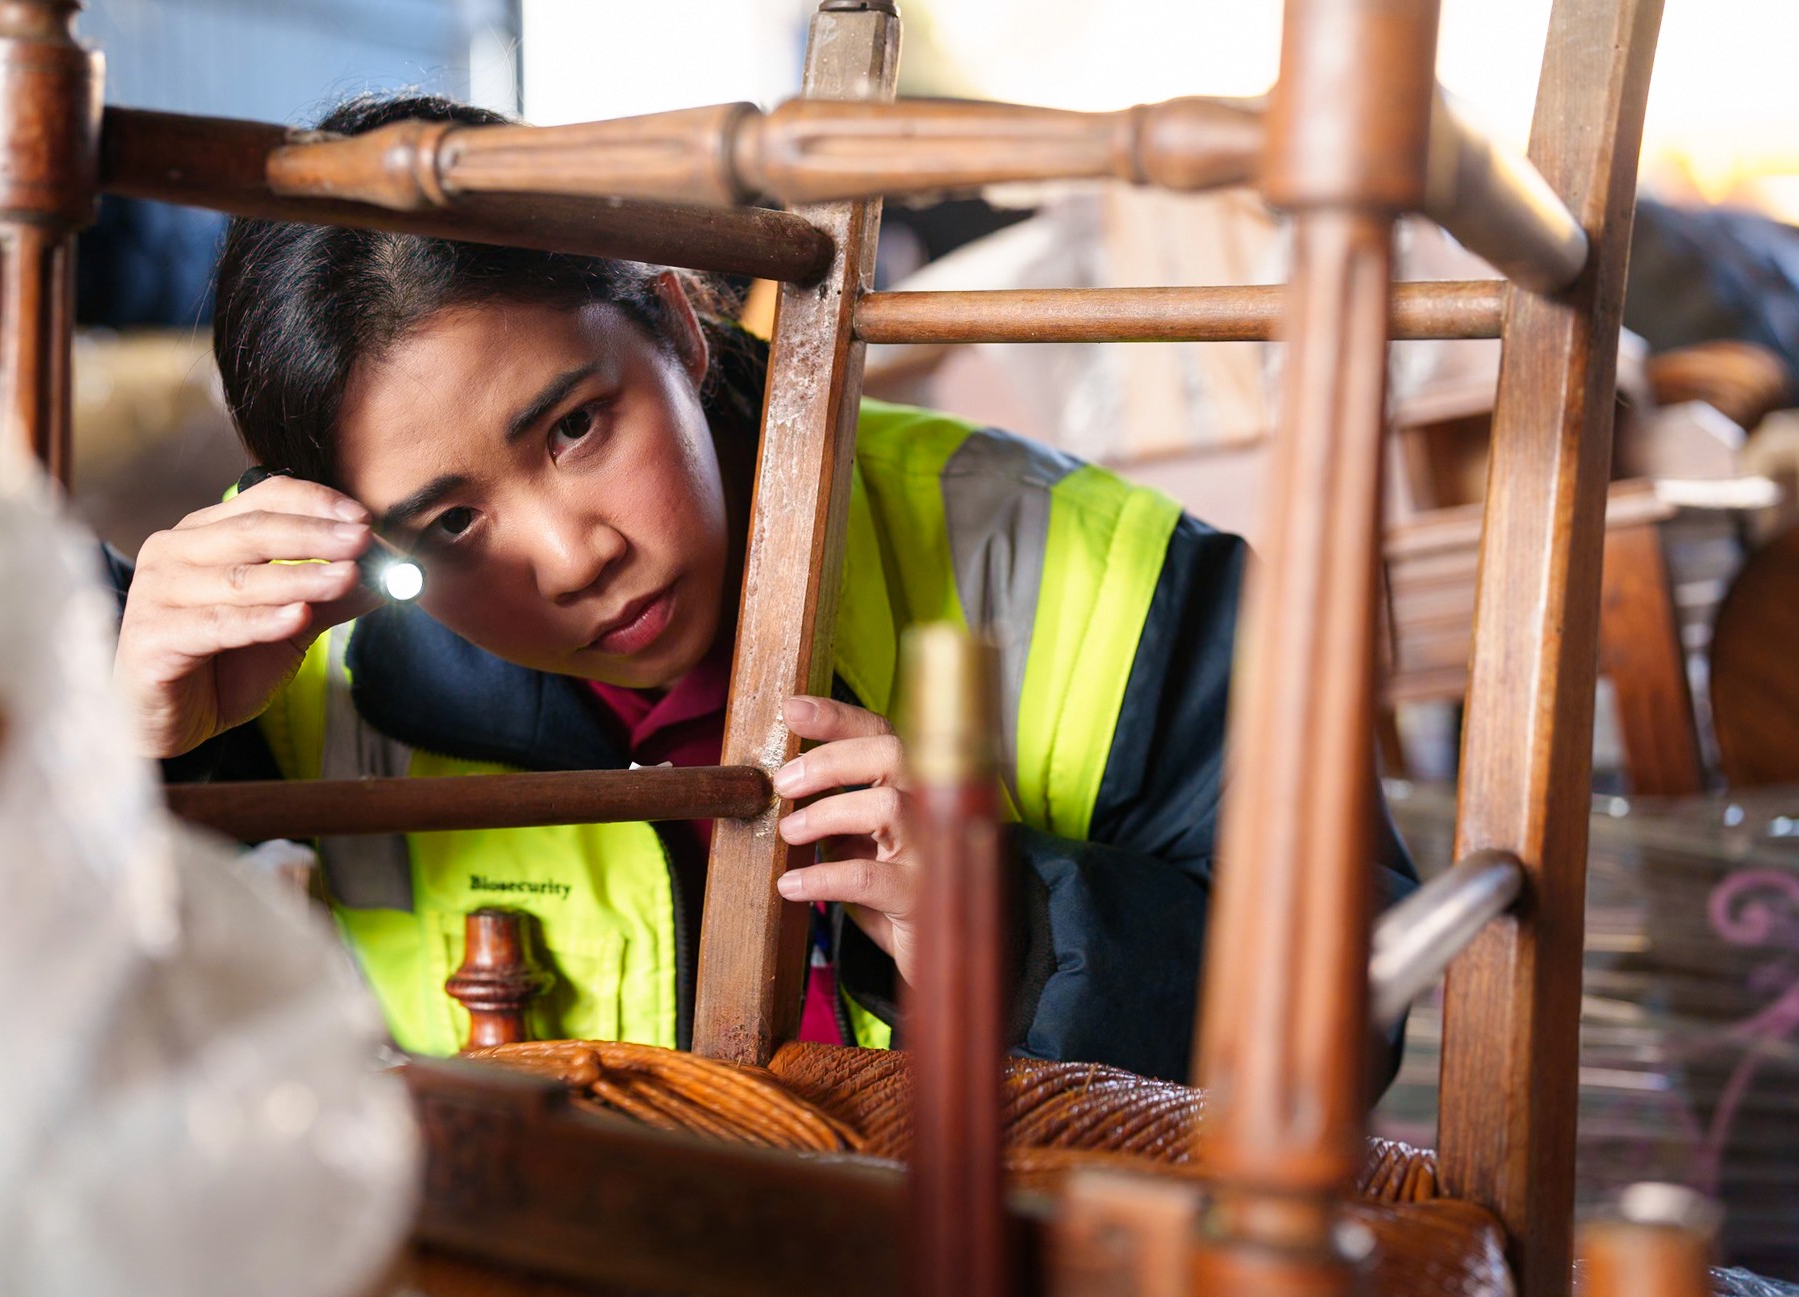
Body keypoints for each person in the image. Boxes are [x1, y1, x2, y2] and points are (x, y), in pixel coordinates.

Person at [112, 93, 1418, 1084]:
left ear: (680, 322)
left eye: (574, 427)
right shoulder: (278, 634)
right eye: (451, 520)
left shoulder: (1094, 571)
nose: (573, 556)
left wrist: (1018, 925)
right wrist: (128, 753)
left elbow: (1357, 999)